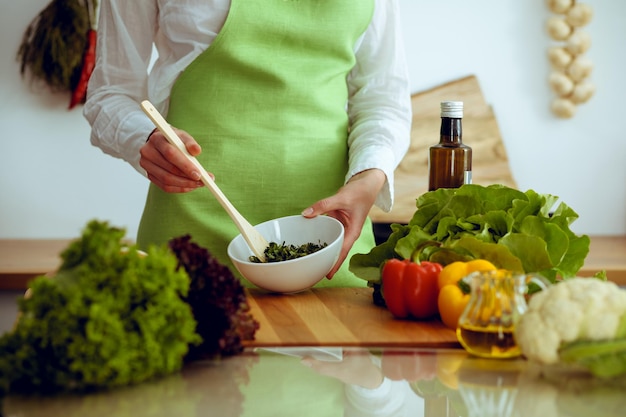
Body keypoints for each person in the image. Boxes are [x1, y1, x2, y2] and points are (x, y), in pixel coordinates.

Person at [84, 0, 412, 288]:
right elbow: (111, 92)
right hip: (191, 228)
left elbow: (382, 98)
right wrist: (143, 137)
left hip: (329, 241)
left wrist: (369, 178)